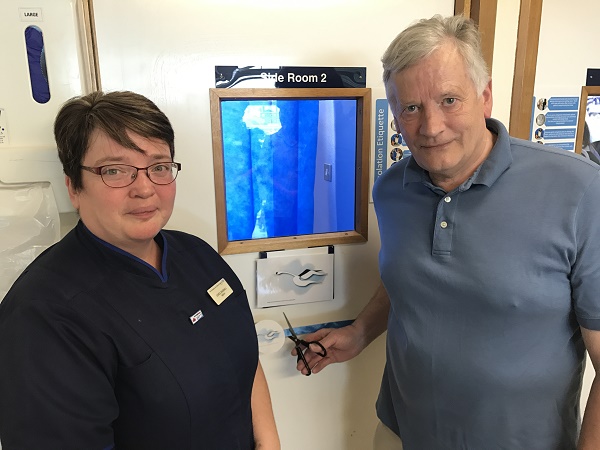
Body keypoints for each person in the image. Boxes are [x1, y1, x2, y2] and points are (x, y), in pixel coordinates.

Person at [295, 15, 600, 449]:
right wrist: (359, 333)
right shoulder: (392, 190)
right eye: (411, 108)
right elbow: (409, 273)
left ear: (485, 96)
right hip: (400, 434)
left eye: (449, 100)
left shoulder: (580, 191)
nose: (431, 127)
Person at [0, 91, 280, 450]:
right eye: (115, 171)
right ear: (74, 187)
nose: (145, 189)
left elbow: (245, 358)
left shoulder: (197, 255)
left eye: (159, 167)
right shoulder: (43, 315)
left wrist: (269, 442)